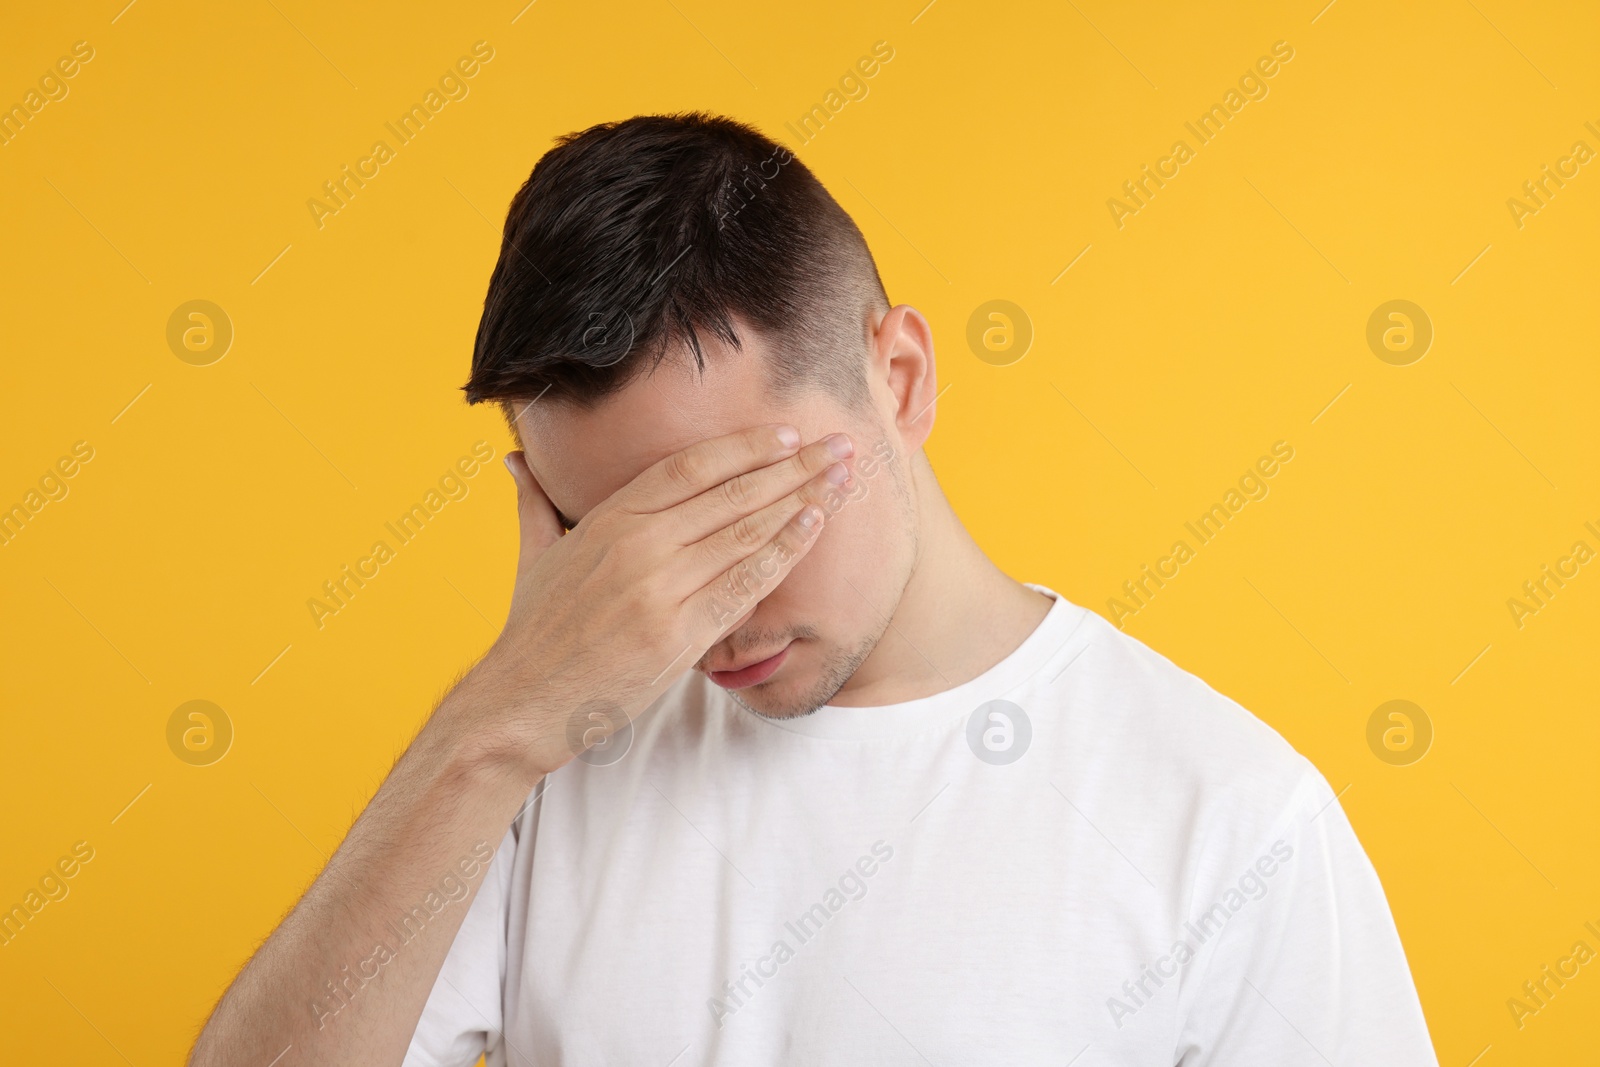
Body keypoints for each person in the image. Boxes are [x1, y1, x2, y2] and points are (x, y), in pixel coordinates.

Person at [190, 112, 1437, 1066]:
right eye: (607, 542)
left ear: (895, 377)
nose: (697, 607)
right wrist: (498, 723)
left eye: (735, 505)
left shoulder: (1229, 821)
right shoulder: (536, 763)